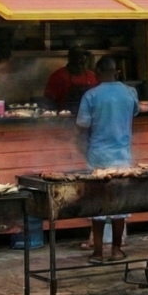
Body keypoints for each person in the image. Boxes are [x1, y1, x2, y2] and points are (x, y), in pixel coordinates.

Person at [77, 56, 140, 262]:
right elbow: (135, 112)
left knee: (97, 203)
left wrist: (81, 146)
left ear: (97, 72)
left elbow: (83, 125)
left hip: (97, 155)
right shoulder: (130, 93)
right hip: (122, 155)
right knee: (119, 204)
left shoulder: (91, 95)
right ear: (116, 72)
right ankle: (116, 250)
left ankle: (97, 252)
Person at [44, 46, 98, 110]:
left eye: (81, 58)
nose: (78, 61)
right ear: (69, 58)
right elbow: (48, 101)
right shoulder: (58, 76)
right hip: (65, 114)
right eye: (75, 58)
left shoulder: (92, 76)